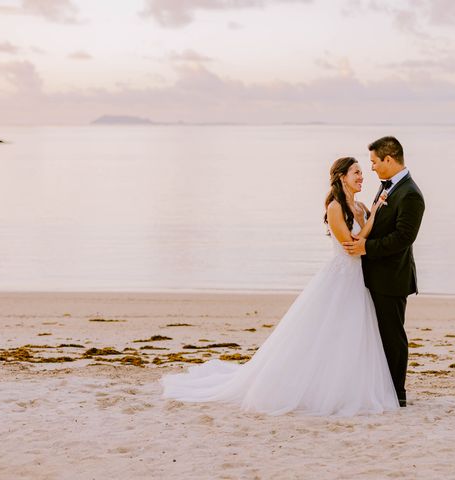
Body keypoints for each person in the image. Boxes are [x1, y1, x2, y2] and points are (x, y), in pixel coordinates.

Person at [160, 157, 399, 416]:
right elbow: (351, 247)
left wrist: (373, 215)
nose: (362, 177)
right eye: (356, 173)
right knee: (325, 332)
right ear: (342, 177)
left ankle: (348, 386)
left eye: (362, 173)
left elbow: (365, 242)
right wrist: (375, 216)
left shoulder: (361, 207)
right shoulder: (335, 207)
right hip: (340, 278)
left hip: (358, 281)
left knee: (352, 334)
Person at [343, 136, 425, 407]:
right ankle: (382, 388)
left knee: (392, 336)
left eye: (375, 162)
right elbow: (380, 222)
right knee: (377, 334)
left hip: (393, 277)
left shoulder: (411, 194)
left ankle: (397, 393)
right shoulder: (387, 186)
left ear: (389, 160)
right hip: (375, 274)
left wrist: (367, 247)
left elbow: (403, 238)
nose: (373, 168)